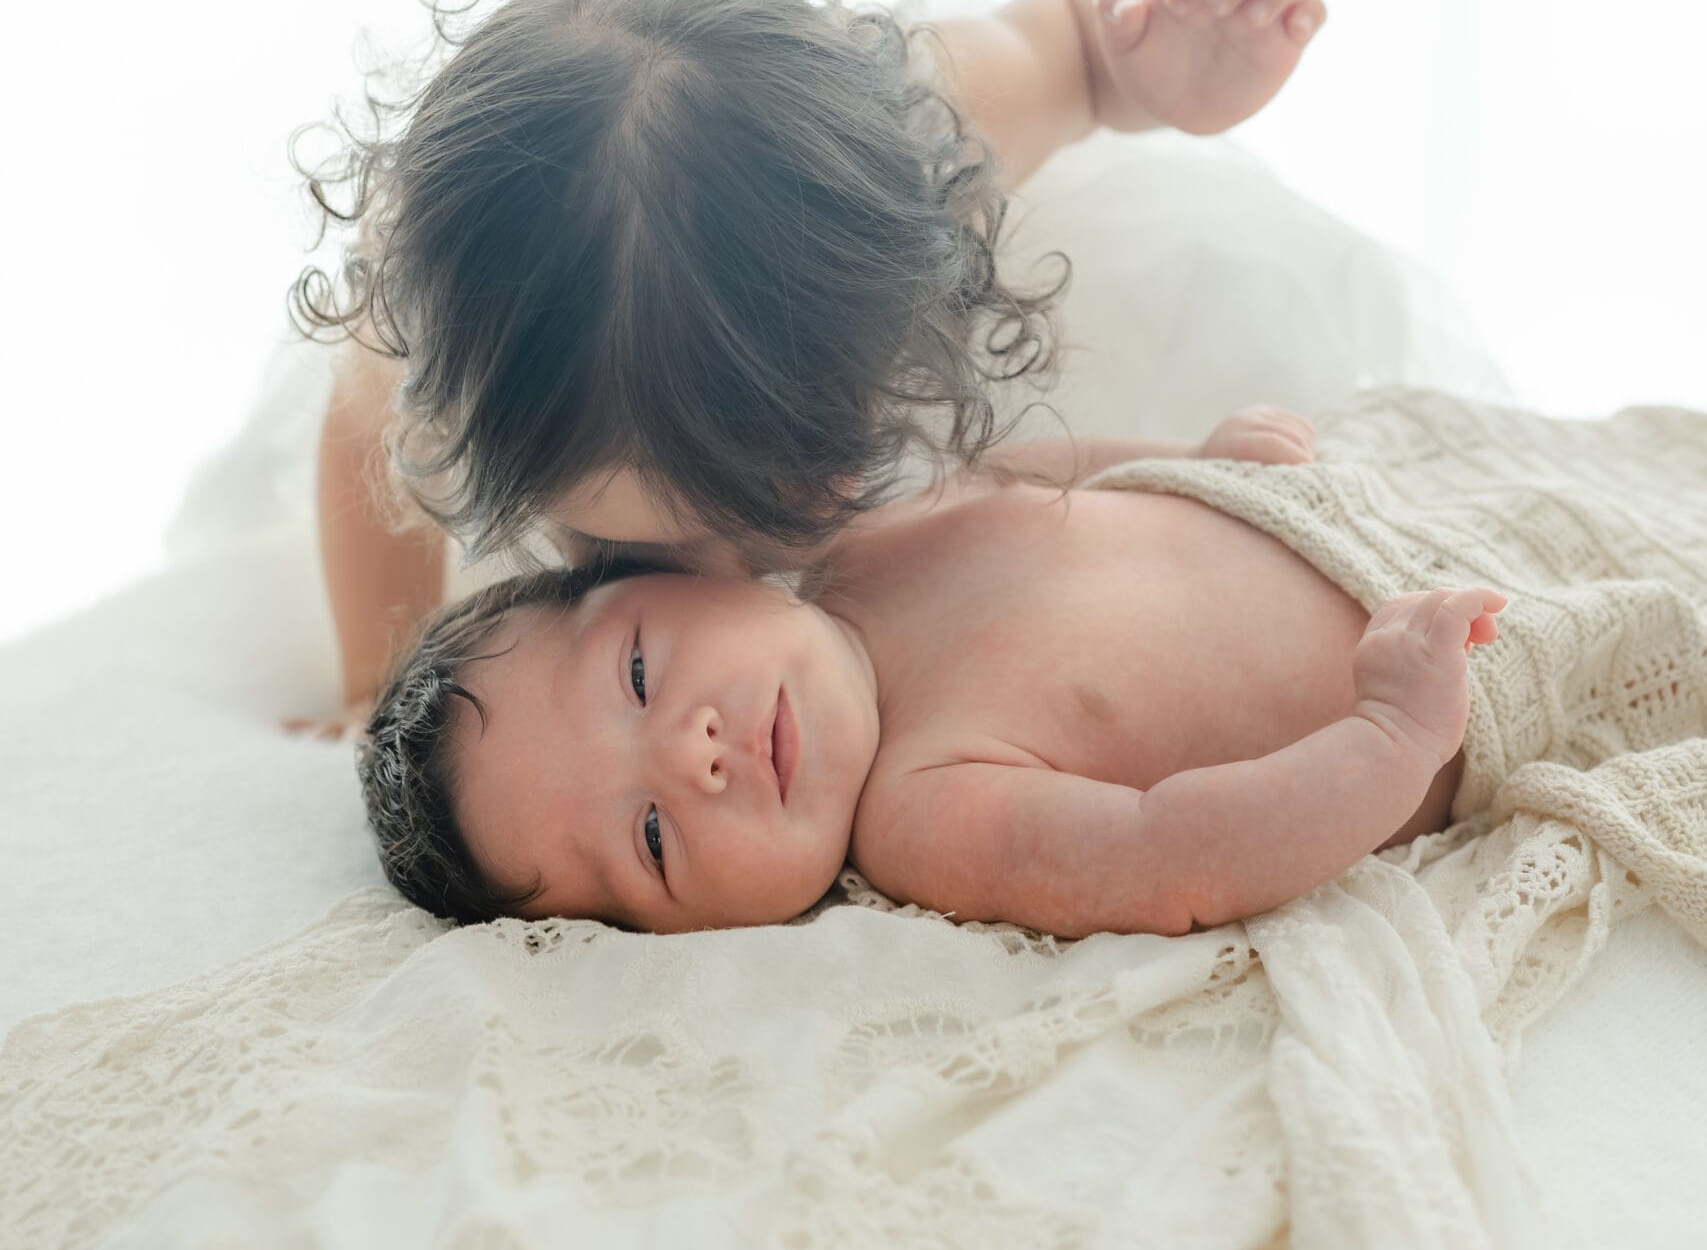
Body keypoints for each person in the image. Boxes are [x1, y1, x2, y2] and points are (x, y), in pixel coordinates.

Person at [292, 0, 1328, 733]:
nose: (719, 575)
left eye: (775, 495)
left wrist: (1146, 67)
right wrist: (380, 678)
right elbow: (357, 434)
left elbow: (1072, 45)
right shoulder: (420, 339)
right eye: (626, 545)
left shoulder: (930, 141)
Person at [356, 396, 1519, 939]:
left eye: (640, 676)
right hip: (1461, 675)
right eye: (652, 838)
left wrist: (1187, 453)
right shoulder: (925, 815)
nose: (692, 753)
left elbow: (1026, 477)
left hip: (1352, 502)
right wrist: (1391, 737)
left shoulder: (864, 536)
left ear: (670, 565)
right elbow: (1177, 854)